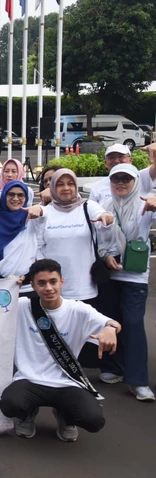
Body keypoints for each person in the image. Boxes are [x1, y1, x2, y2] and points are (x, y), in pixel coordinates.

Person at [0, 259, 120, 442]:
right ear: (32, 285)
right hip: (29, 380)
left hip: (67, 382)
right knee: (10, 404)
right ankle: (27, 415)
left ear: (62, 282)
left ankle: (66, 417)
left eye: (53, 281)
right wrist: (6, 288)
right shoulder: (22, 306)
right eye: (41, 283)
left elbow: (113, 323)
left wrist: (110, 329)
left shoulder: (78, 310)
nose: (48, 288)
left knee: (93, 420)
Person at [97, 164, 156, 401]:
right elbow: (98, 236)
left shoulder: (145, 203)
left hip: (135, 274)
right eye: (116, 179)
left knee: (132, 323)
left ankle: (138, 381)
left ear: (135, 181)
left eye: (126, 179)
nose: (120, 183)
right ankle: (113, 366)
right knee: (110, 320)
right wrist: (105, 255)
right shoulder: (105, 204)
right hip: (110, 272)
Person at [27, 169, 115, 302]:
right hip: (53, 288)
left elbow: (102, 220)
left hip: (84, 287)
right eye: (60, 184)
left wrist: (106, 218)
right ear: (53, 188)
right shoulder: (45, 212)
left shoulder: (88, 207)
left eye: (70, 183)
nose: (66, 188)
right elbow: (37, 246)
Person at [0, 181, 39, 296]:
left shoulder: (32, 220)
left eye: (20, 195)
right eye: (11, 194)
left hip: (28, 287)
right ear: (4, 196)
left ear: (26, 197)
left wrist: (40, 207)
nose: (15, 198)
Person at [89, 143, 156, 203]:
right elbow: (91, 209)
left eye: (121, 156)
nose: (116, 161)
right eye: (111, 157)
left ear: (130, 160)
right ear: (105, 163)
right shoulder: (97, 186)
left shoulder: (140, 177)